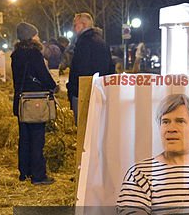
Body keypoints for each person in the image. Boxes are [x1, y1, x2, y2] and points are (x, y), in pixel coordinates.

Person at [11, 22, 58, 185]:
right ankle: (38, 175)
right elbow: (43, 75)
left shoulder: (15, 54)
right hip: (35, 100)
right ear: (31, 36)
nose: (38, 37)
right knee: (37, 138)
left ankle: (25, 172)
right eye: (36, 34)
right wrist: (54, 86)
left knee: (24, 138)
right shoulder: (34, 54)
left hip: (21, 101)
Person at [67, 11, 114, 122]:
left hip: (83, 92)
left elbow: (80, 68)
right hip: (101, 89)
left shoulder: (83, 42)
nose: (74, 28)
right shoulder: (101, 41)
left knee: (84, 127)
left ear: (83, 25)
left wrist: (73, 88)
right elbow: (110, 66)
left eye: (75, 25)